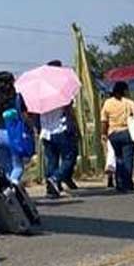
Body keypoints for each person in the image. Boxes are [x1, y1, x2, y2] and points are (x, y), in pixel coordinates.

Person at [38, 60, 80, 199]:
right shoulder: (63, 87)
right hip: (60, 128)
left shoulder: (39, 90)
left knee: (51, 160)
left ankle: (51, 188)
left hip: (46, 131)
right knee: (70, 156)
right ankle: (56, 179)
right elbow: (68, 110)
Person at [0, 72, 31, 185]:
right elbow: (25, 116)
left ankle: (8, 190)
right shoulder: (17, 98)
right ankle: (13, 186)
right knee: (18, 167)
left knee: (6, 165)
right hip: (12, 134)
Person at [100, 81, 134, 193]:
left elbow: (104, 120)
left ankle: (119, 183)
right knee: (128, 160)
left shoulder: (107, 103)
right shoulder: (128, 102)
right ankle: (127, 185)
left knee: (119, 159)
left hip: (113, 134)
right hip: (126, 133)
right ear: (124, 91)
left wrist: (103, 134)